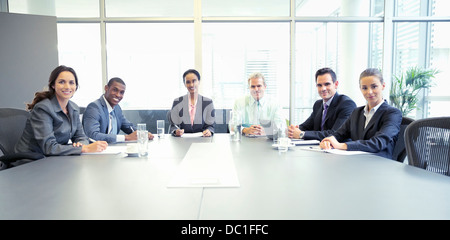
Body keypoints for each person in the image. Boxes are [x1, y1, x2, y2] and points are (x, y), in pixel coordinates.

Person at [15, 65, 108, 156]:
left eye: (71, 82)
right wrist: (85, 148)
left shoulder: (74, 108)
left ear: (76, 86)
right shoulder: (43, 109)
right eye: (62, 82)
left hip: (52, 159)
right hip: (30, 160)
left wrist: (81, 144)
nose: (67, 87)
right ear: (53, 85)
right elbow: (49, 147)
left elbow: (81, 136)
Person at [320, 68, 402, 159]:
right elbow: (339, 134)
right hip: (357, 161)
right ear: (360, 89)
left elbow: (378, 143)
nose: (369, 92)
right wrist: (329, 140)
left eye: (374, 86)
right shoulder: (357, 112)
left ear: (383, 86)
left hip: (379, 164)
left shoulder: (393, 113)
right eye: (364, 88)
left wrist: (341, 145)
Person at [288, 68, 356, 141]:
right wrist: (293, 130)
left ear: (336, 84)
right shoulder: (318, 104)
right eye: (319, 85)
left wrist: (302, 134)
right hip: (320, 148)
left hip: (339, 149)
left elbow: (335, 134)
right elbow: (306, 126)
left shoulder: (347, 104)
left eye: (327, 84)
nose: (323, 88)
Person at [82, 77, 154, 143]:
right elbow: (92, 135)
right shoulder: (94, 107)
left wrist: (143, 133)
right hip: (96, 154)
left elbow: (128, 126)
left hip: (112, 150)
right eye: (115, 90)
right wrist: (126, 138)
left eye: (122, 92)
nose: (118, 95)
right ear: (106, 88)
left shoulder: (117, 108)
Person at [168, 69, 215, 137]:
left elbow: (210, 126)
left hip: (202, 140)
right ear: (184, 84)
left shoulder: (208, 102)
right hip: (182, 142)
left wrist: (209, 131)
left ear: (199, 81)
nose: (191, 85)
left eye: (194, 81)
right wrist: (176, 131)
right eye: (188, 82)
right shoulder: (177, 102)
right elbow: (173, 126)